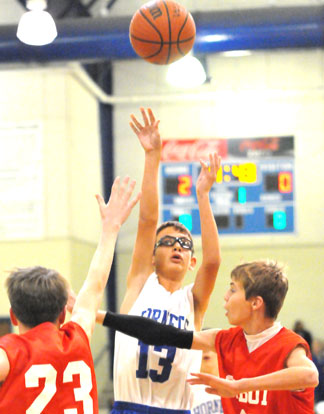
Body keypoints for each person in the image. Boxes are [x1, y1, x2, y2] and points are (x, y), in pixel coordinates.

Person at [97, 107, 222, 414]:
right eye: (167, 242)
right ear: (152, 256)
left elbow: (214, 262)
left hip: (176, 409)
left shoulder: (194, 301)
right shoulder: (141, 281)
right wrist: (153, 157)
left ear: (191, 261)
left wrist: (203, 196)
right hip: (129, 406)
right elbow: (147, 220)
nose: (177, 246)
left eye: (184, 244)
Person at [102, 260, 319, 414]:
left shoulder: (289, 344)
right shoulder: (225, 339)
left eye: (233, 290)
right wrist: (102, 317)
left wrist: (239, 386)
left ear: (255, 303)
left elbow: (310, 376)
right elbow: (162, 333)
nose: (225, 297)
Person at [0, 176, 140, 413]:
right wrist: (111, 228)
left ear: (13, 316)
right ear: (64, 313)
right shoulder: (78, 336)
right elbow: (96, 283)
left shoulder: (9, 354)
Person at [191, 334, 224, 414]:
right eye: (200, 346)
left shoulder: (234, 385)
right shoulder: (188, 389)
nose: (205, 350)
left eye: (210, 346)